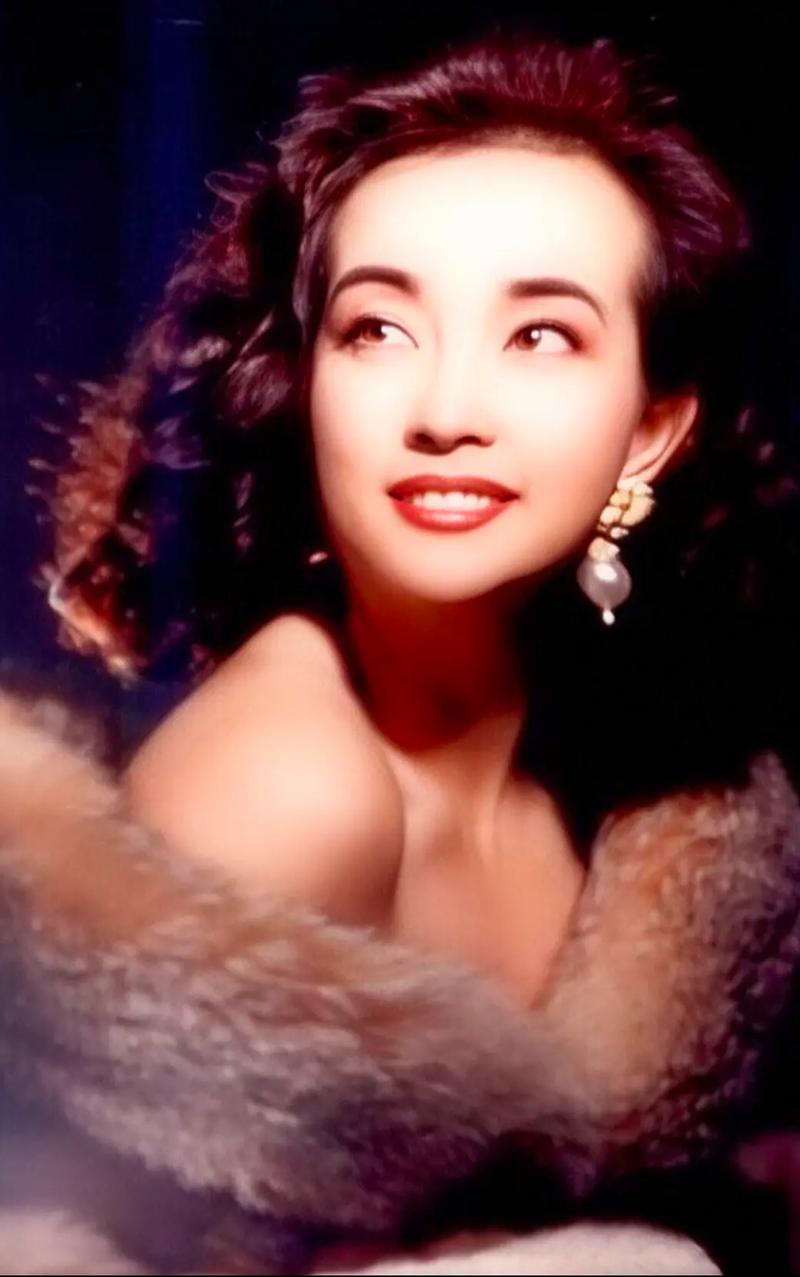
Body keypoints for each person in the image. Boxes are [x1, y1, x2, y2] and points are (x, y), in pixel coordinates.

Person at [38, 27, 798, 1020]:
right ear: (304, 385)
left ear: (648, 433)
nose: (445, 413)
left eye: (540, 335)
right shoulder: (281, 790)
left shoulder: (623, 758)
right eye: (378, 329)